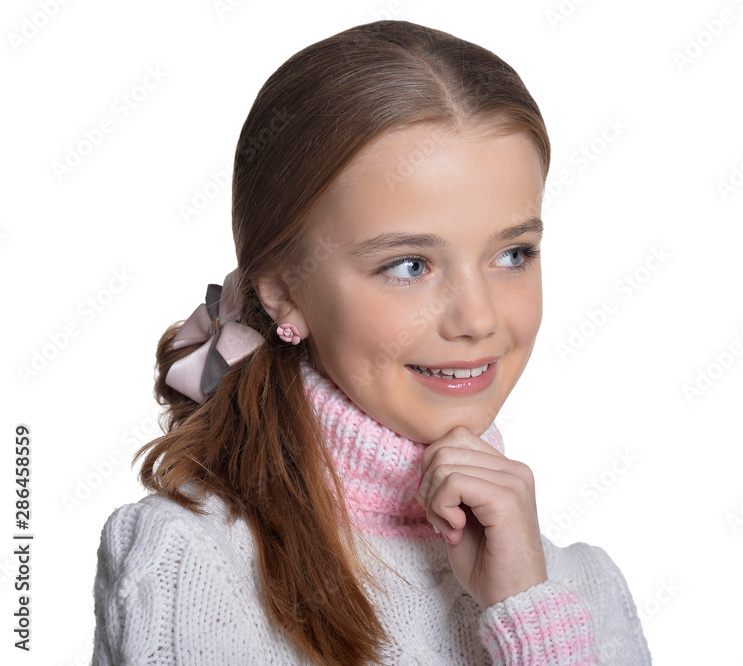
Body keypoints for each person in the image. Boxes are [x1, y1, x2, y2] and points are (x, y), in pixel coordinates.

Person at [90, 19, 652, 665]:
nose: (478, 319)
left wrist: (529, 612)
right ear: (283, 293)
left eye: (513, 253)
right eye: (409, 265)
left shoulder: (580, 592)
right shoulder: (187, 561)